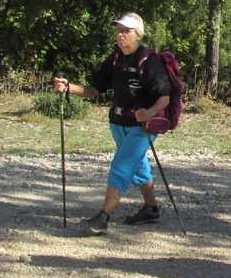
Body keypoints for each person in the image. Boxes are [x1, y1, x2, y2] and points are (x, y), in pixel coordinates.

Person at [52, 13, 171, 236]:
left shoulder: (149, 59)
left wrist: (149, 113)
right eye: (118, 30)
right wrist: (69, 87)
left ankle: (103, 217)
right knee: (137, 165)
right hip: (117, 122)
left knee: (122, 166)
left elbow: (164, 97)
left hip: (142, 127)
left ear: (138, 34)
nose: (120, 34)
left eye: (125, 30)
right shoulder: (116, 58)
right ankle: (151, 209)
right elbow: (94, 89)